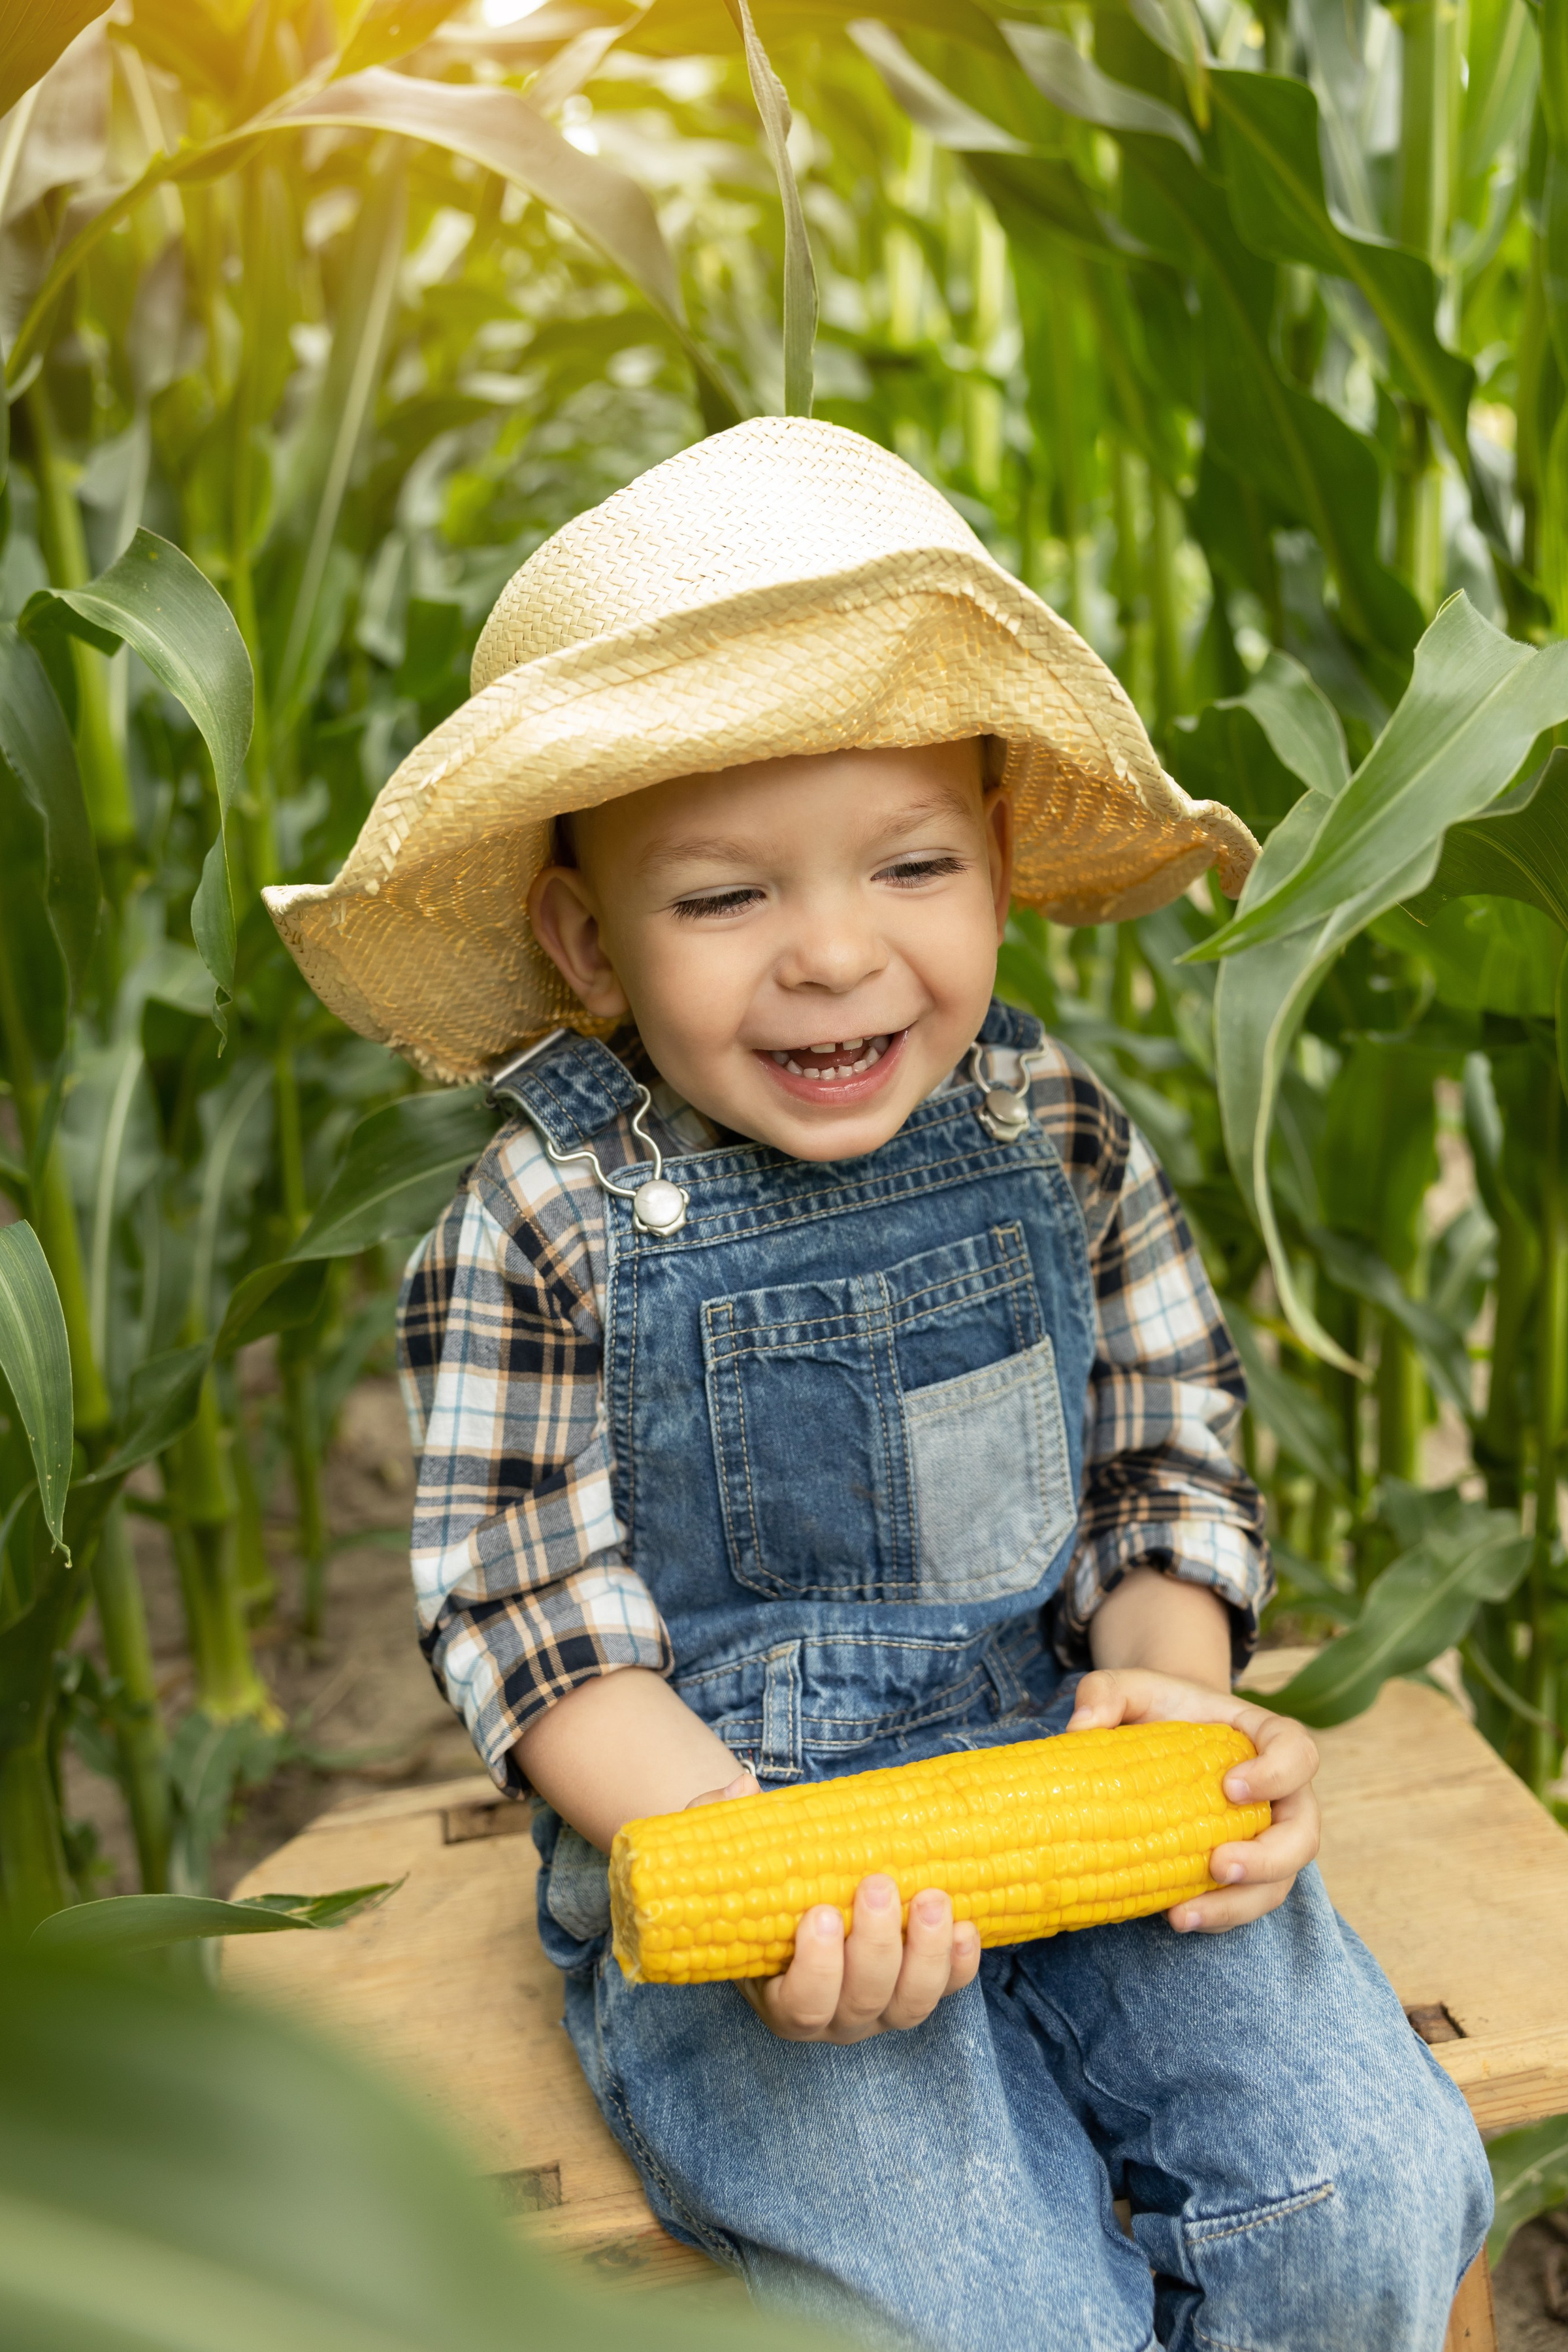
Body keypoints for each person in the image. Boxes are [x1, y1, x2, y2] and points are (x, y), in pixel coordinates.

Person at [265, 417, 1492, 2351]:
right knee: (988, 2312)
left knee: (1365, 2198)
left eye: (910, 863)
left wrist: (1175, 1692)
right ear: (585, 940)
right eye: (723, 898)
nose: (834, 954)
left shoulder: (1057, 1134)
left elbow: (1163, 1457)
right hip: (744, 1847)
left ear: (1001, 862)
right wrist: (753, 1873)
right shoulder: (546, 1221)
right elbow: (531, 1613)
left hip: (1054, 1753)